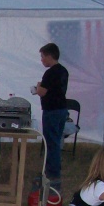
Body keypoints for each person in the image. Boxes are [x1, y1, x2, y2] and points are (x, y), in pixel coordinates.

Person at [33, 42, 69, 187]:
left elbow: (42, 92)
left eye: (42, 57)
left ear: (49, 56)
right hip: (61, 109)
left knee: (51, 143)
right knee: (56, 141)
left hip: (52, 110)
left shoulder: (50, 72)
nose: (41, 60)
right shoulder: (63, 71)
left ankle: (52, 173)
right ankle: (54, 169)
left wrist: (38, 87)